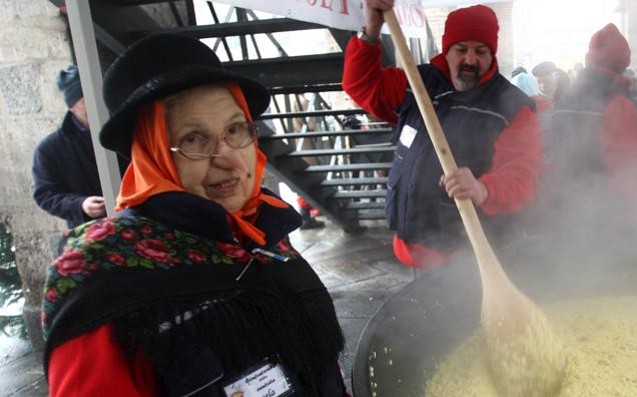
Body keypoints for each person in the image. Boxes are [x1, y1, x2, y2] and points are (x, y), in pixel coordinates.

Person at [41, 34, 348, 396]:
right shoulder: (99, 280)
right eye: (193, 139)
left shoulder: (262, 232)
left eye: (235, 130)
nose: (228, 158)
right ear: (152, 154)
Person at [343, 1, 541, 269]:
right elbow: (361, 85)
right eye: (461, 50)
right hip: (410, 247)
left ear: (492, 54)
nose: (471, 60)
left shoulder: (511, 106)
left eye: (481, 51)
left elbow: (523, 179)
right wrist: (370, 32)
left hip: (465, 260)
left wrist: (484, 188)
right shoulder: (417, 82)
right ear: (446, 50)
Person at [544, 24, 637, 209]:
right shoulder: (617, 100)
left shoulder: (564, 97)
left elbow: (552, 151)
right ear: (623, 63)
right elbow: (625, 165)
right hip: (605, 206)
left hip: (564, 200)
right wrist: (636, 210)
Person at [32, 66, 125, 239]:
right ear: (71, 107)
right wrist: (81, 205)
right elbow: (45, 195)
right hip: (93, 236)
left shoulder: (125, 129)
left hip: (139, 221)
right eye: (85, 101)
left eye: (97, 97)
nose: (95, 105)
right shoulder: (50, 149)